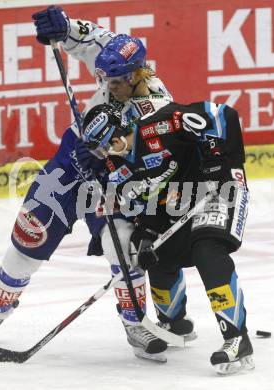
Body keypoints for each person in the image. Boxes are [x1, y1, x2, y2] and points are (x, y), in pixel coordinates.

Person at [0, 6, 194, 362]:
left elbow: (153, 161)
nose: (108, 87)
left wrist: (110, 160)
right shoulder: (112, 52)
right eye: (105, 80)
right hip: (71, 158)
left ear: (135, 75)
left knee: (124, 245)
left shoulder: (157, 107)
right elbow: (81, 36)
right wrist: (61, 26)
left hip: (117, 176)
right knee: (29, 231)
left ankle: (135, 324)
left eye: (116, 83)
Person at [81, 101, 254, 374]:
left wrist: (220, 164)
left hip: (221, 191)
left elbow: (223, 115)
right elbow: (144, 208)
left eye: (104, 146)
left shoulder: (162, 124)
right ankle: (175, 323)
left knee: (207, 250)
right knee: (151, 252)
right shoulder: (117, 167)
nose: (103, 155)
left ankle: (237, 337)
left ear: (115, 136)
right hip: (179, 206)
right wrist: (147, 231)